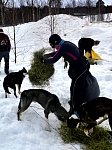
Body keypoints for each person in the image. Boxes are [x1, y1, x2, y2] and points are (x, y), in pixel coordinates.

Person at [43, 34, 100, 117]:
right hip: (80, 67)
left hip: (80, 69)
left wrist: (44, 61)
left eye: (52, 45)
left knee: (74, 89)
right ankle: (79, 103)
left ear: (56, 42)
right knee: (77, 87)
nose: (53, 47)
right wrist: (48, 55)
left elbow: (54, 59)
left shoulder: (64, 46)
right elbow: (57, 53)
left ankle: (75, 111)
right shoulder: (65, 44)